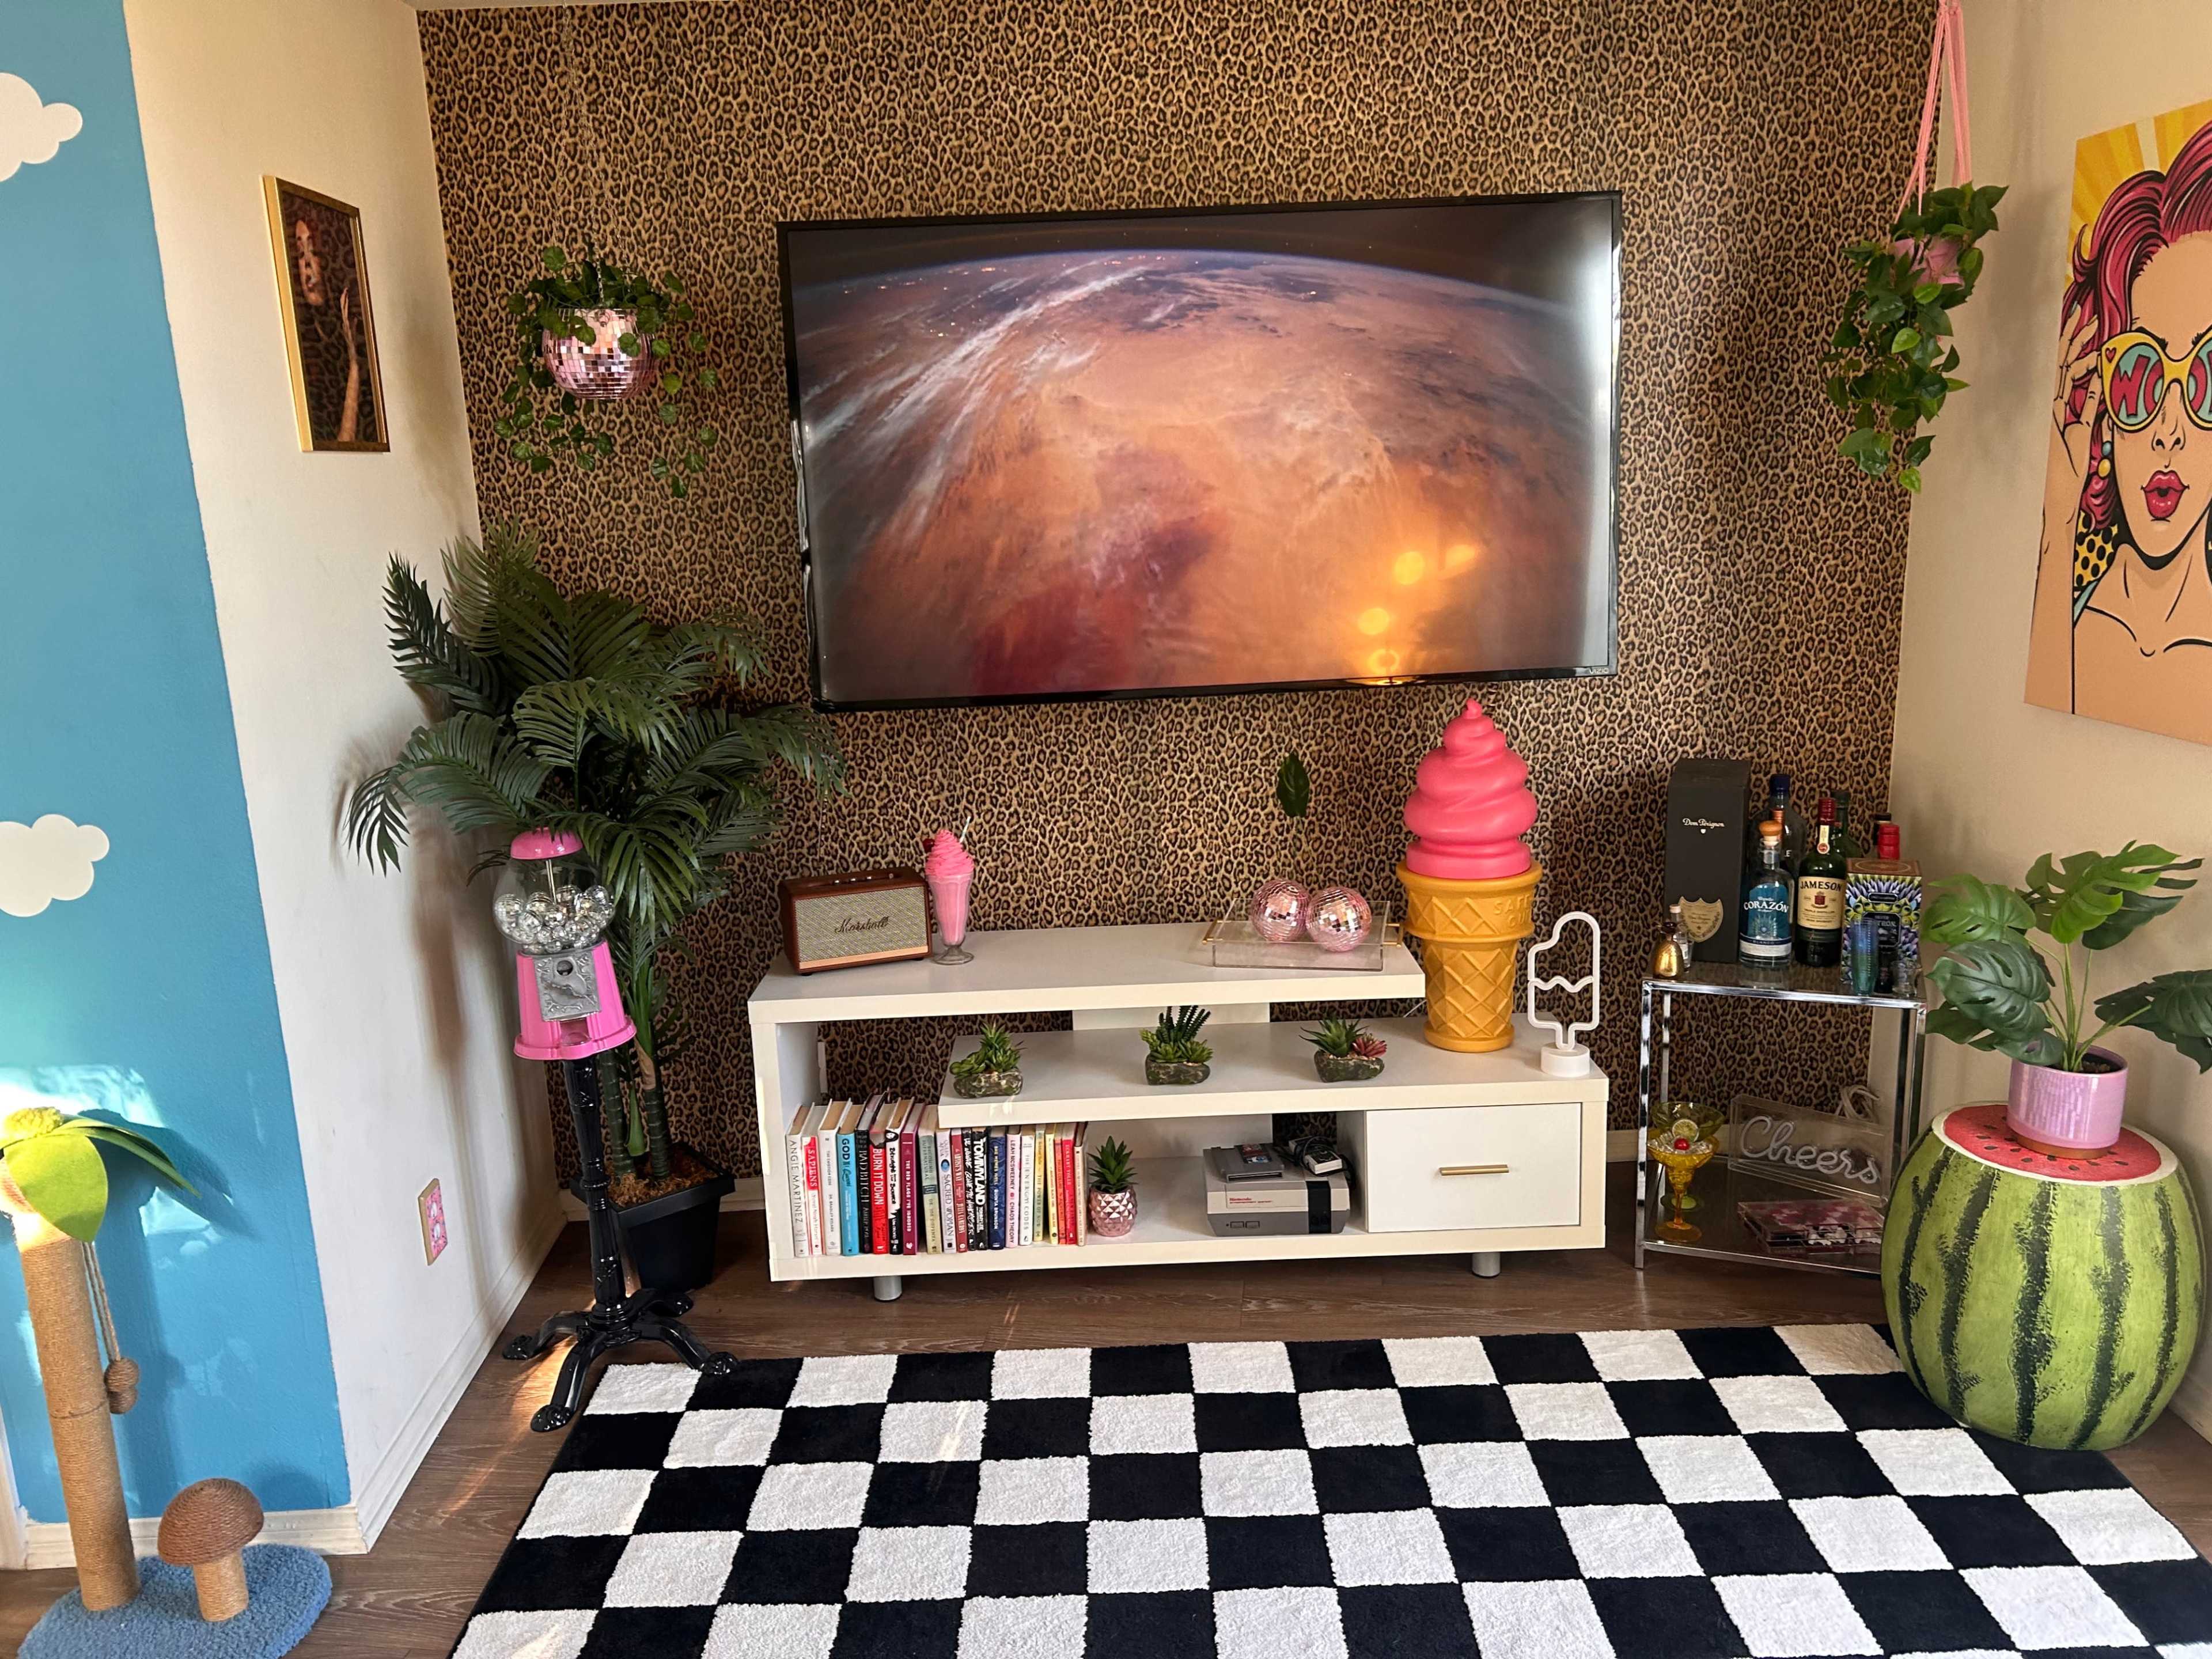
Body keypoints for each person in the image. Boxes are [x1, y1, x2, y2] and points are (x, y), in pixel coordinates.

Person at [289, 208, 369, 446]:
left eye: (312, 251)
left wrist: (355, 365)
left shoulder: (354, 323)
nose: (307, 266)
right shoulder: (302, 341)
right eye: (299, 252)